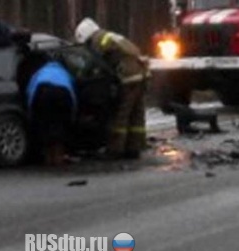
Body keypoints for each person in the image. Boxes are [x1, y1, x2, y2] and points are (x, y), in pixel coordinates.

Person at [74, 17, 150, 160]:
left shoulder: (97, 40)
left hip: (129, 76)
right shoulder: (108, 35)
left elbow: (93, 61)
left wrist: (80, 75)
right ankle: (134, 148)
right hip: (142, 73)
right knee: (136, 113)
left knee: (121, 114)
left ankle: (115, 150)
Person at [23, 55, 78, 166]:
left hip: (43, 92)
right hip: (62, 94)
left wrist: (30, 111)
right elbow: (71, 90)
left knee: (44, 126)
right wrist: (73, 113)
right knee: (60, 126)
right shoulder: (64, 73)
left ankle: (48, 158)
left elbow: (31, 90)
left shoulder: (40, 72)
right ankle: (58, 158)